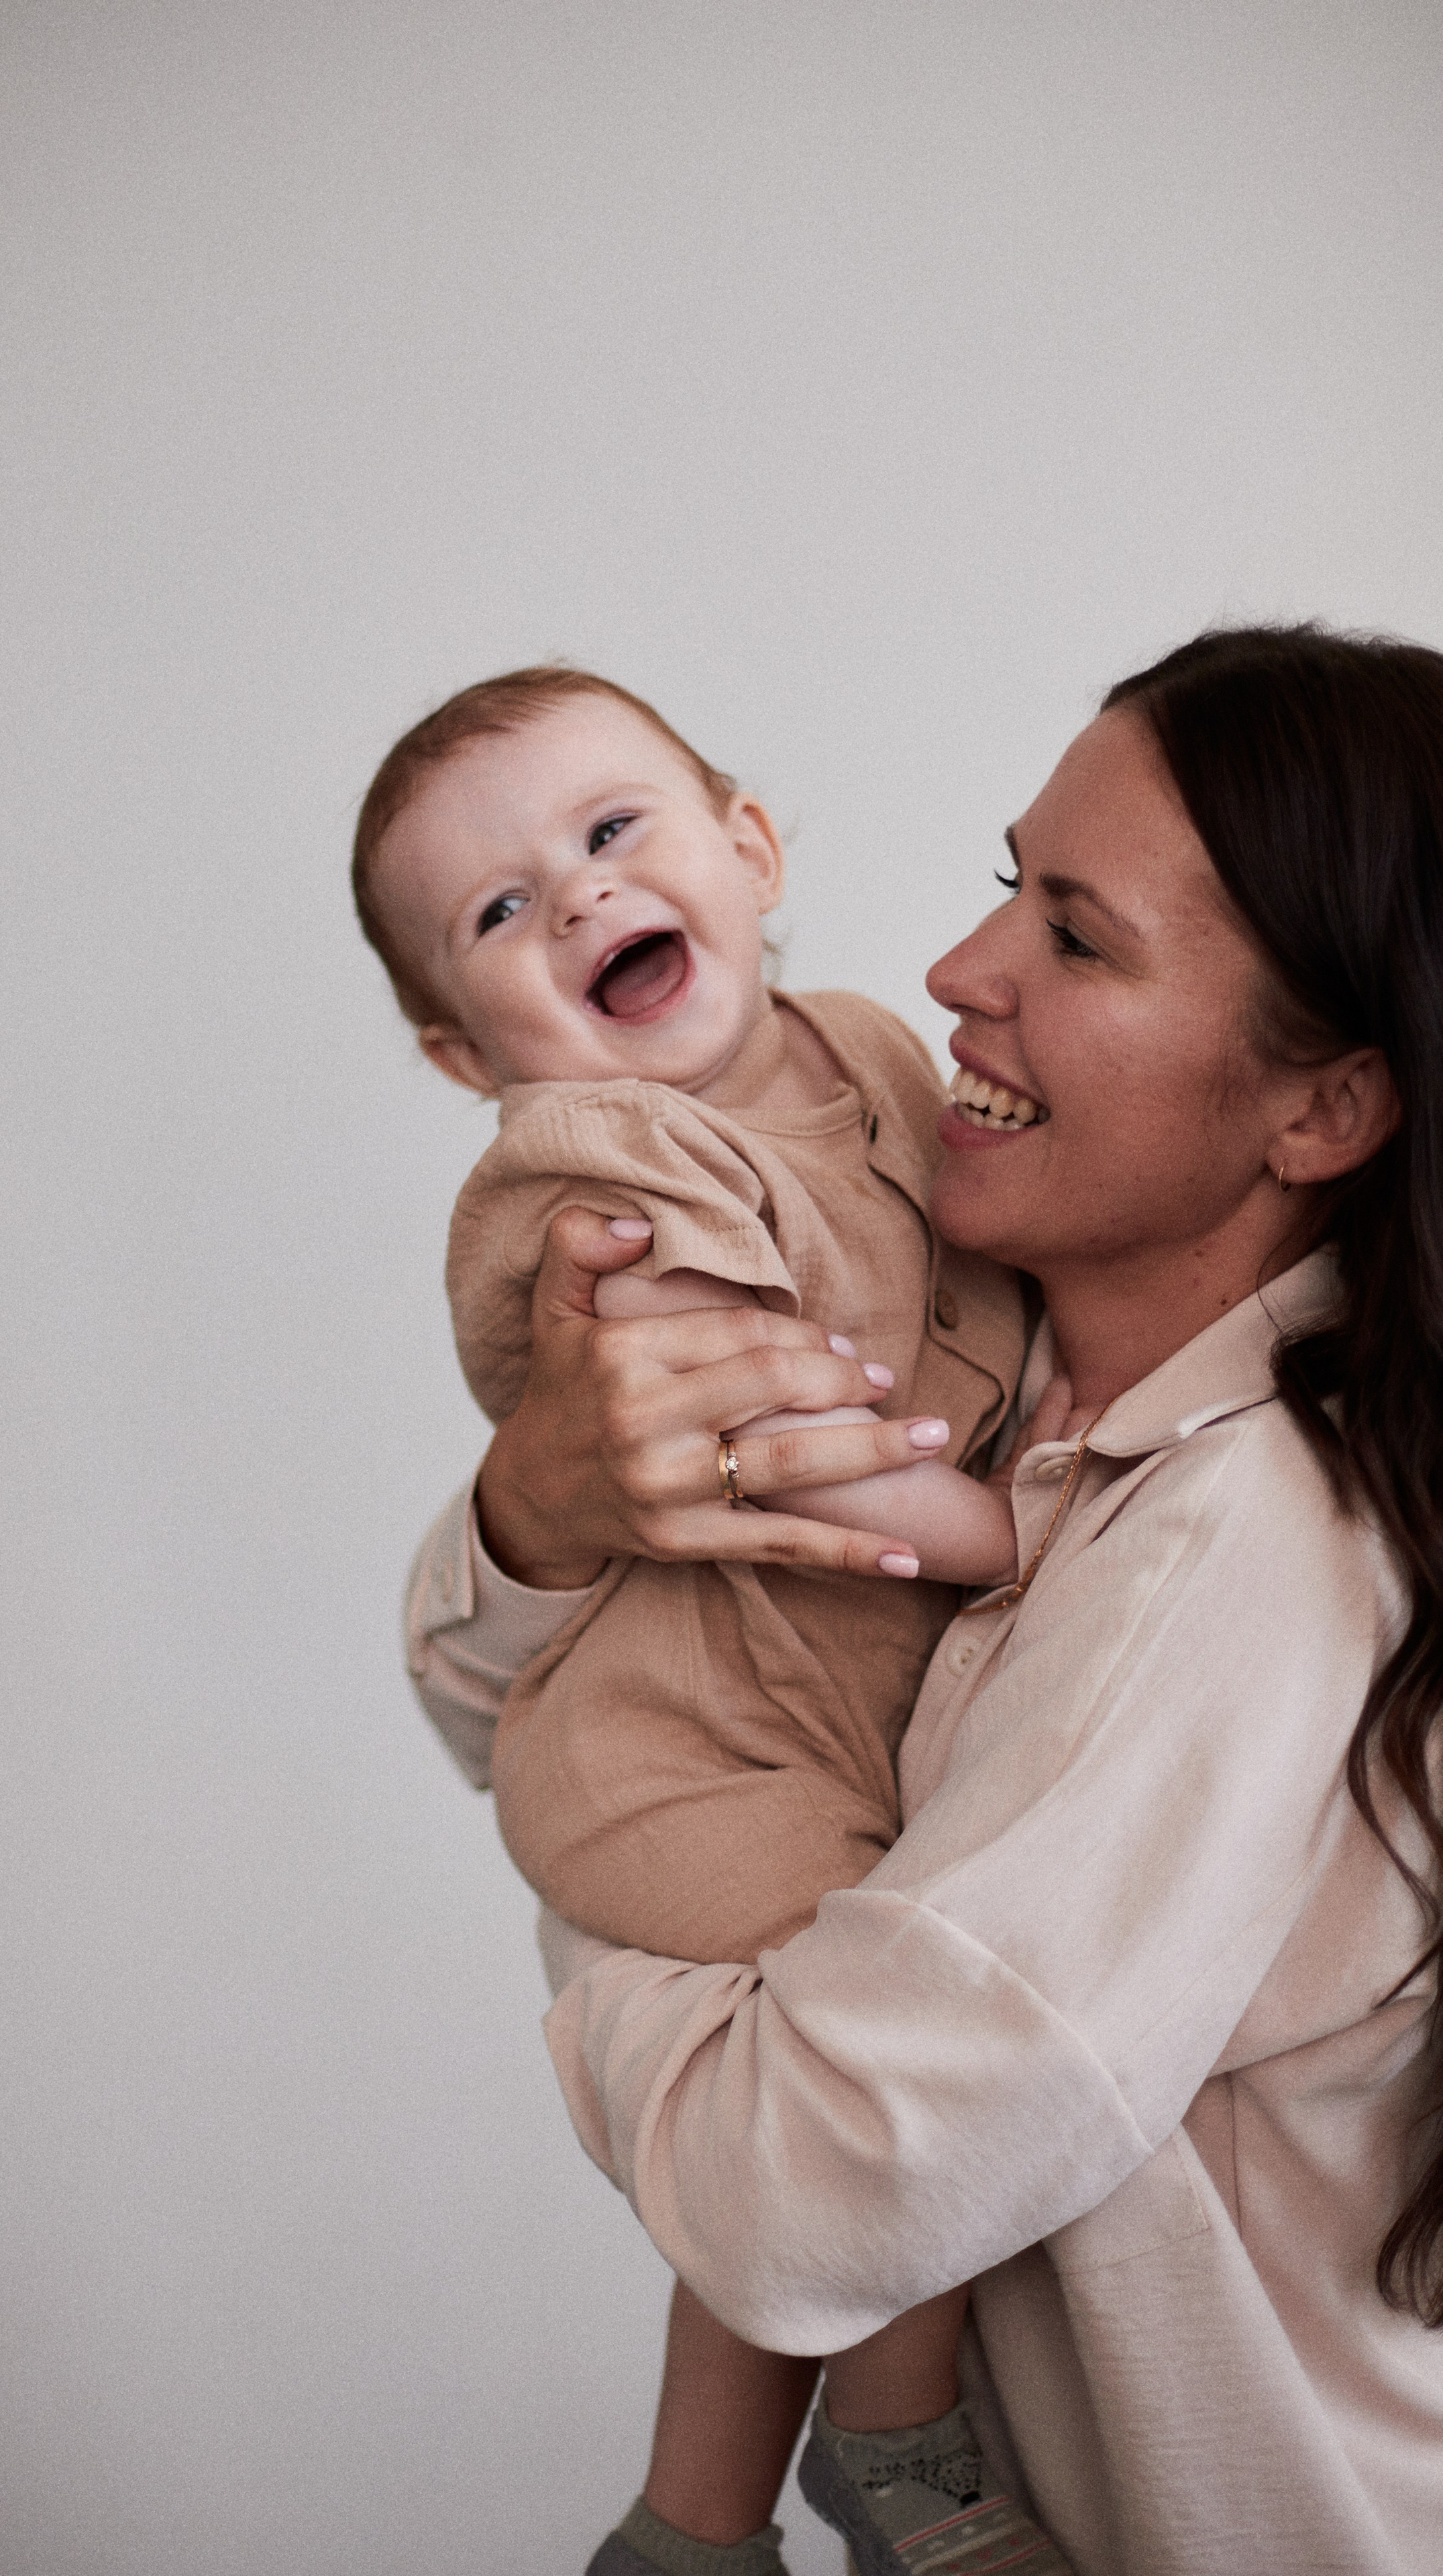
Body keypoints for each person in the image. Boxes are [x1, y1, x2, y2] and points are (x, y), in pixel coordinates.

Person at [407, 627, 1443, 2576]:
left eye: (1077, 937)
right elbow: (509, 1695)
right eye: (1002, 887)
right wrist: (542, 1496)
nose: (962, 974)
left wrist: (614, 1952)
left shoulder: (1240, 1556)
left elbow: (810, 2195)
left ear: (1320, 1115)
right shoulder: (1007, 1345)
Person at [359, 667, 1073, 2573]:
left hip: (826, 1716)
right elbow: (779, 1447)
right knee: (870, 2073)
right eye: (501, 913)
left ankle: (693, 2525)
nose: (580, 899)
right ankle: (894, 2444)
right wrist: (1024, 1538)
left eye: (613, 836)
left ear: (748, 852)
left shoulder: (881, 1060)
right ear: (464, 1052)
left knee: (858, 2081)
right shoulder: (603, 1170)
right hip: (689, 1742)